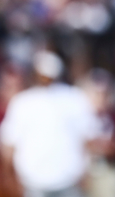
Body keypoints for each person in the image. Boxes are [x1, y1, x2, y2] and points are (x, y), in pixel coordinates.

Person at [0, 50, 101, 197]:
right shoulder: (23, 102)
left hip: (67, 180)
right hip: (34, 182)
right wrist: (10, 177)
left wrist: (87, 172)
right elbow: (9, 145)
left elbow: (88, 140)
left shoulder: (74, 98)